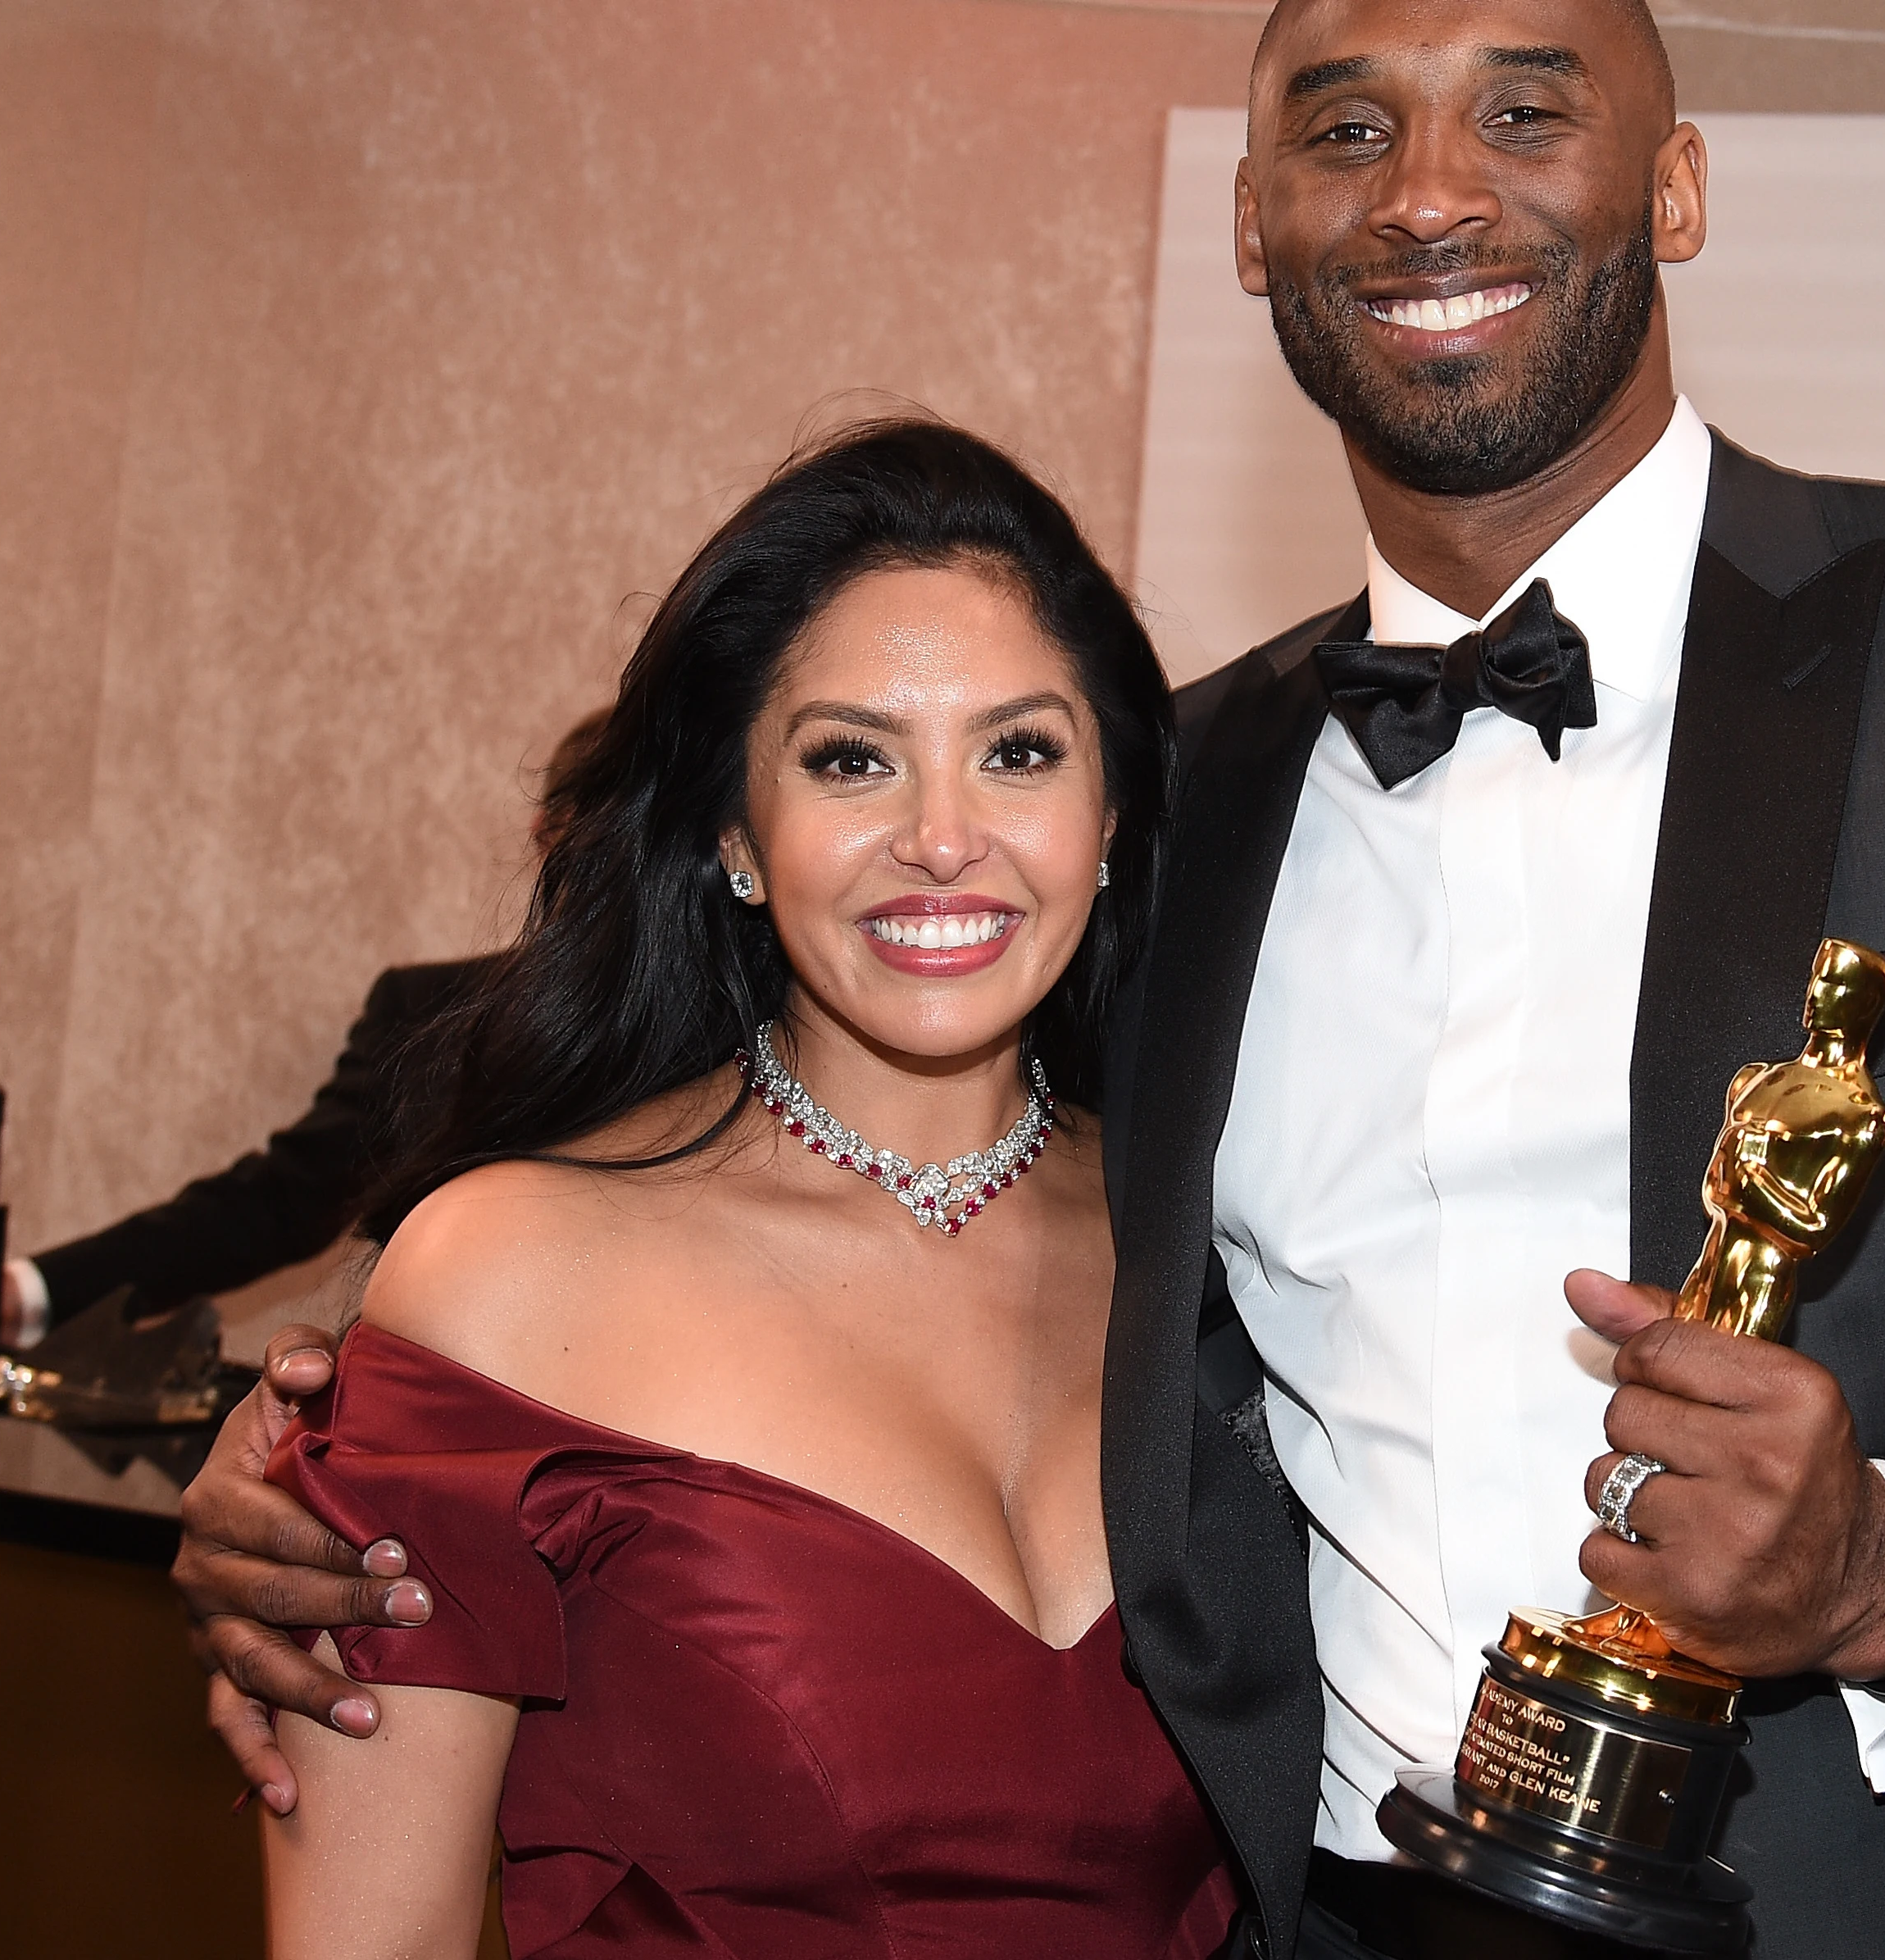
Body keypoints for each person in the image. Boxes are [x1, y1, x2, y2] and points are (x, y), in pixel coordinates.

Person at [179, 3, 1885, 1955]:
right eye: (1345, 125)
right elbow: (851, 1271)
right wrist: (331, 1489)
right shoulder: (1169, 797)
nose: (1433, 191)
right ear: (1254, 227)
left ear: (1672, 179)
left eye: (1524, 106)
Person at [247, 419, 1227, 1958]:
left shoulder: (1218, 1254)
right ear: (734, 836)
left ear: (1108, 821)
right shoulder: (504, 1272)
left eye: (1019, 751)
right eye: (852, 759)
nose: (943, 842)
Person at [0, 712, 610, 1352]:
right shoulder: (427, 1012)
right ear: (547, 839)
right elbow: (277, 1204)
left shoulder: (723, 1044)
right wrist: (26, 1285)